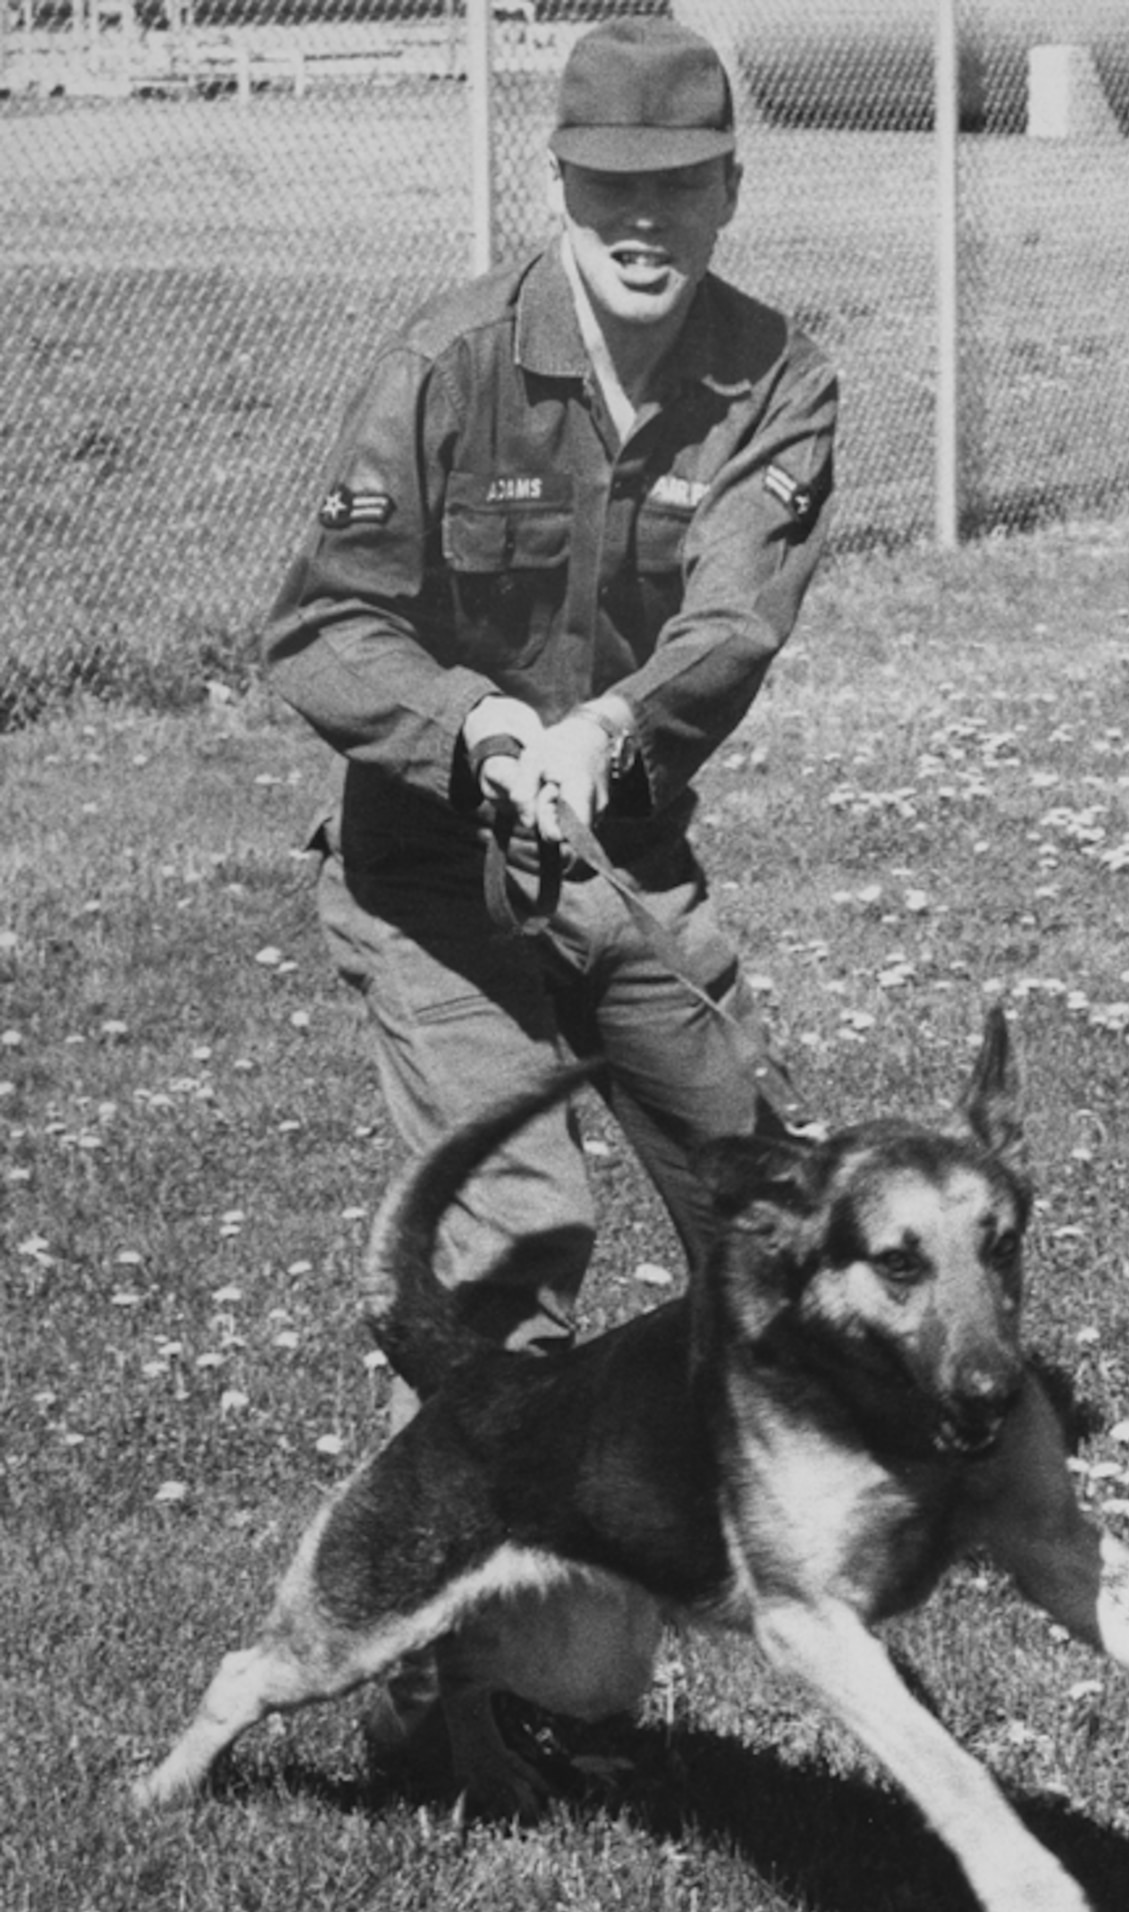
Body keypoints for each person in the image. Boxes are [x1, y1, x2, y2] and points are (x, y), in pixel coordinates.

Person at [266, 20, 837, 1380]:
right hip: (430, 865)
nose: (644, 221)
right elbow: (324, 623)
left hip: (621, 845)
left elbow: (732, 619)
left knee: (781, 1232)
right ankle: (462, 1576)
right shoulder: (446, 364)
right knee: (515, 1238)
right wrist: (476, 727)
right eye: (609, 186)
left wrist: (602, 737)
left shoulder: (779, 381)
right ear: (558, 186)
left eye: (679, 184)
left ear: (731, 191)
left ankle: (773, 1560)